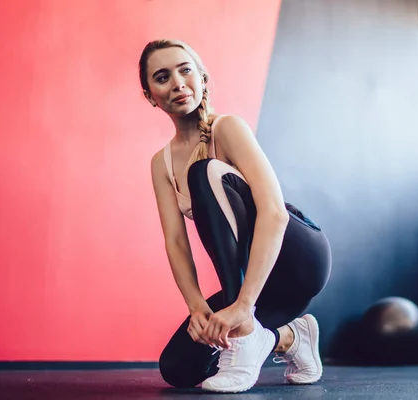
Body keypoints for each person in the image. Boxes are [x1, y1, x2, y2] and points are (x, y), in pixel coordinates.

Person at [139, 39, 332, 393]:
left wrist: (243, 307)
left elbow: (274, 213)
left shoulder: (227, 128)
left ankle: (246, 333)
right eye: (163, 77)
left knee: (203, 173)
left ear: (203, 78)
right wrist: (197, 309)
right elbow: (176, 242)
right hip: (256, 286)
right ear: (151, 95)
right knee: (179, 368)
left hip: (297, 258)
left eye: (185, 70)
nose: (178, 83)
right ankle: (291, 337)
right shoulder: (161, 163)